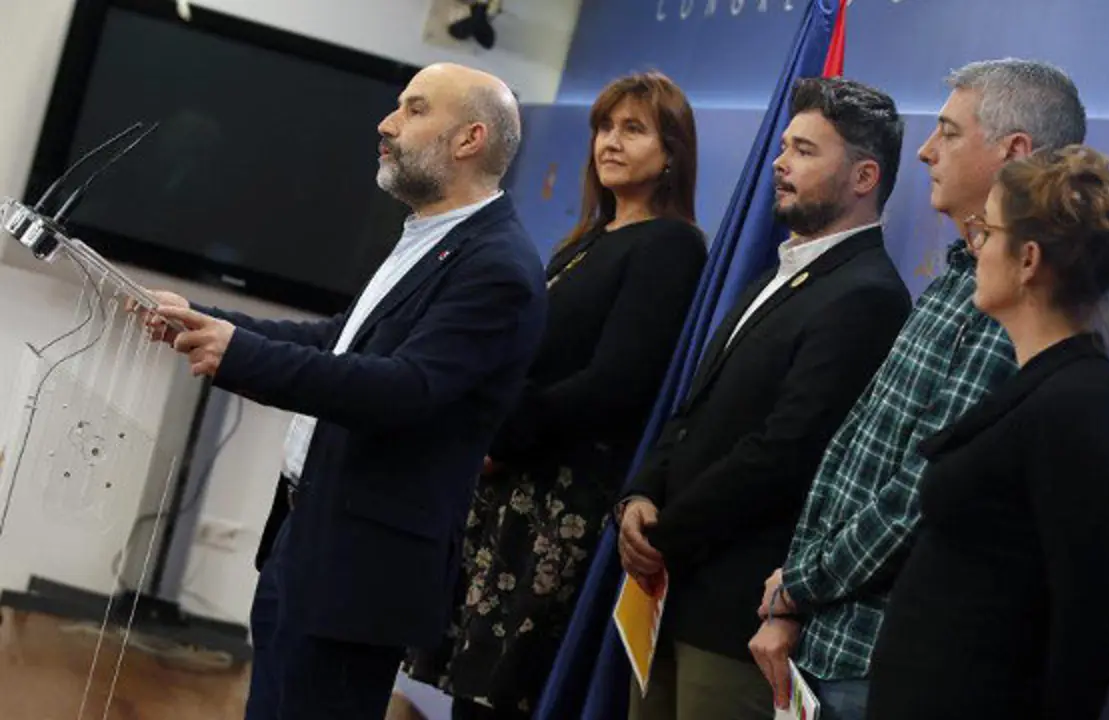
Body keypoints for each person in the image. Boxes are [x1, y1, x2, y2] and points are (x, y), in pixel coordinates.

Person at [136, 62, 547, 719]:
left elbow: (404, 389)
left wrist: (237, 354)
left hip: (361, 570)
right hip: (310, 539)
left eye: (414, 110)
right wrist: (206, 319)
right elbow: (341, 338)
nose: (386, 125)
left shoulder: (497, 267)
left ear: (469, 139)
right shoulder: (431, 236)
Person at [751, 58, 1088, 720]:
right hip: (829, 640)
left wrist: (800, 587)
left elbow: (919, 491)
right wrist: (794, 594)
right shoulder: (958, 276)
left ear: (1013, 152)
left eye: (948, 134)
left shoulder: (1016, 303)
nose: (928, 152)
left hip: (882, 660)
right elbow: (855, 452)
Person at [410, 71, 707, 720]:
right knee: (470, 693)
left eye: (633, 129)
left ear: (673, 153)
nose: (610, 142)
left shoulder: (670, 246)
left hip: (562, 501)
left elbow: (617, 382)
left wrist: (503, 432)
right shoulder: (588, 240)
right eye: (604, 126)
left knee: (502, 702)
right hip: (512, 485)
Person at [619, 76, 912, 720]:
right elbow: (697, 409)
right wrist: (640, 493)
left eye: (805, 151)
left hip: (736, 613)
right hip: (673, 591)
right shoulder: (782, 270)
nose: (780, 163)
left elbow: (787, 453)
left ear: (865, 178)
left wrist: (667, 530)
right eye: (784, 146)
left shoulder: (869, 294)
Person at [863, 144, 1109, 720]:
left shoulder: (1075, 408)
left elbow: (1084, 632)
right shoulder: (1041, 387)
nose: (975, 250)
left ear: (1027, 260)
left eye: (985, 234)